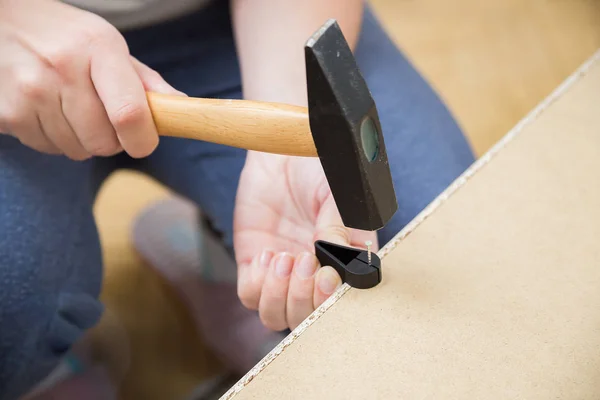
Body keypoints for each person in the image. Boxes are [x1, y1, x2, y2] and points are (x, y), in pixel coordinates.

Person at [0, 0, 475, 398]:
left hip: (238, 23)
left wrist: (293, 124)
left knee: (426, 253)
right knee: (10, 307)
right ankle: (44, 365)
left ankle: (212, 252)